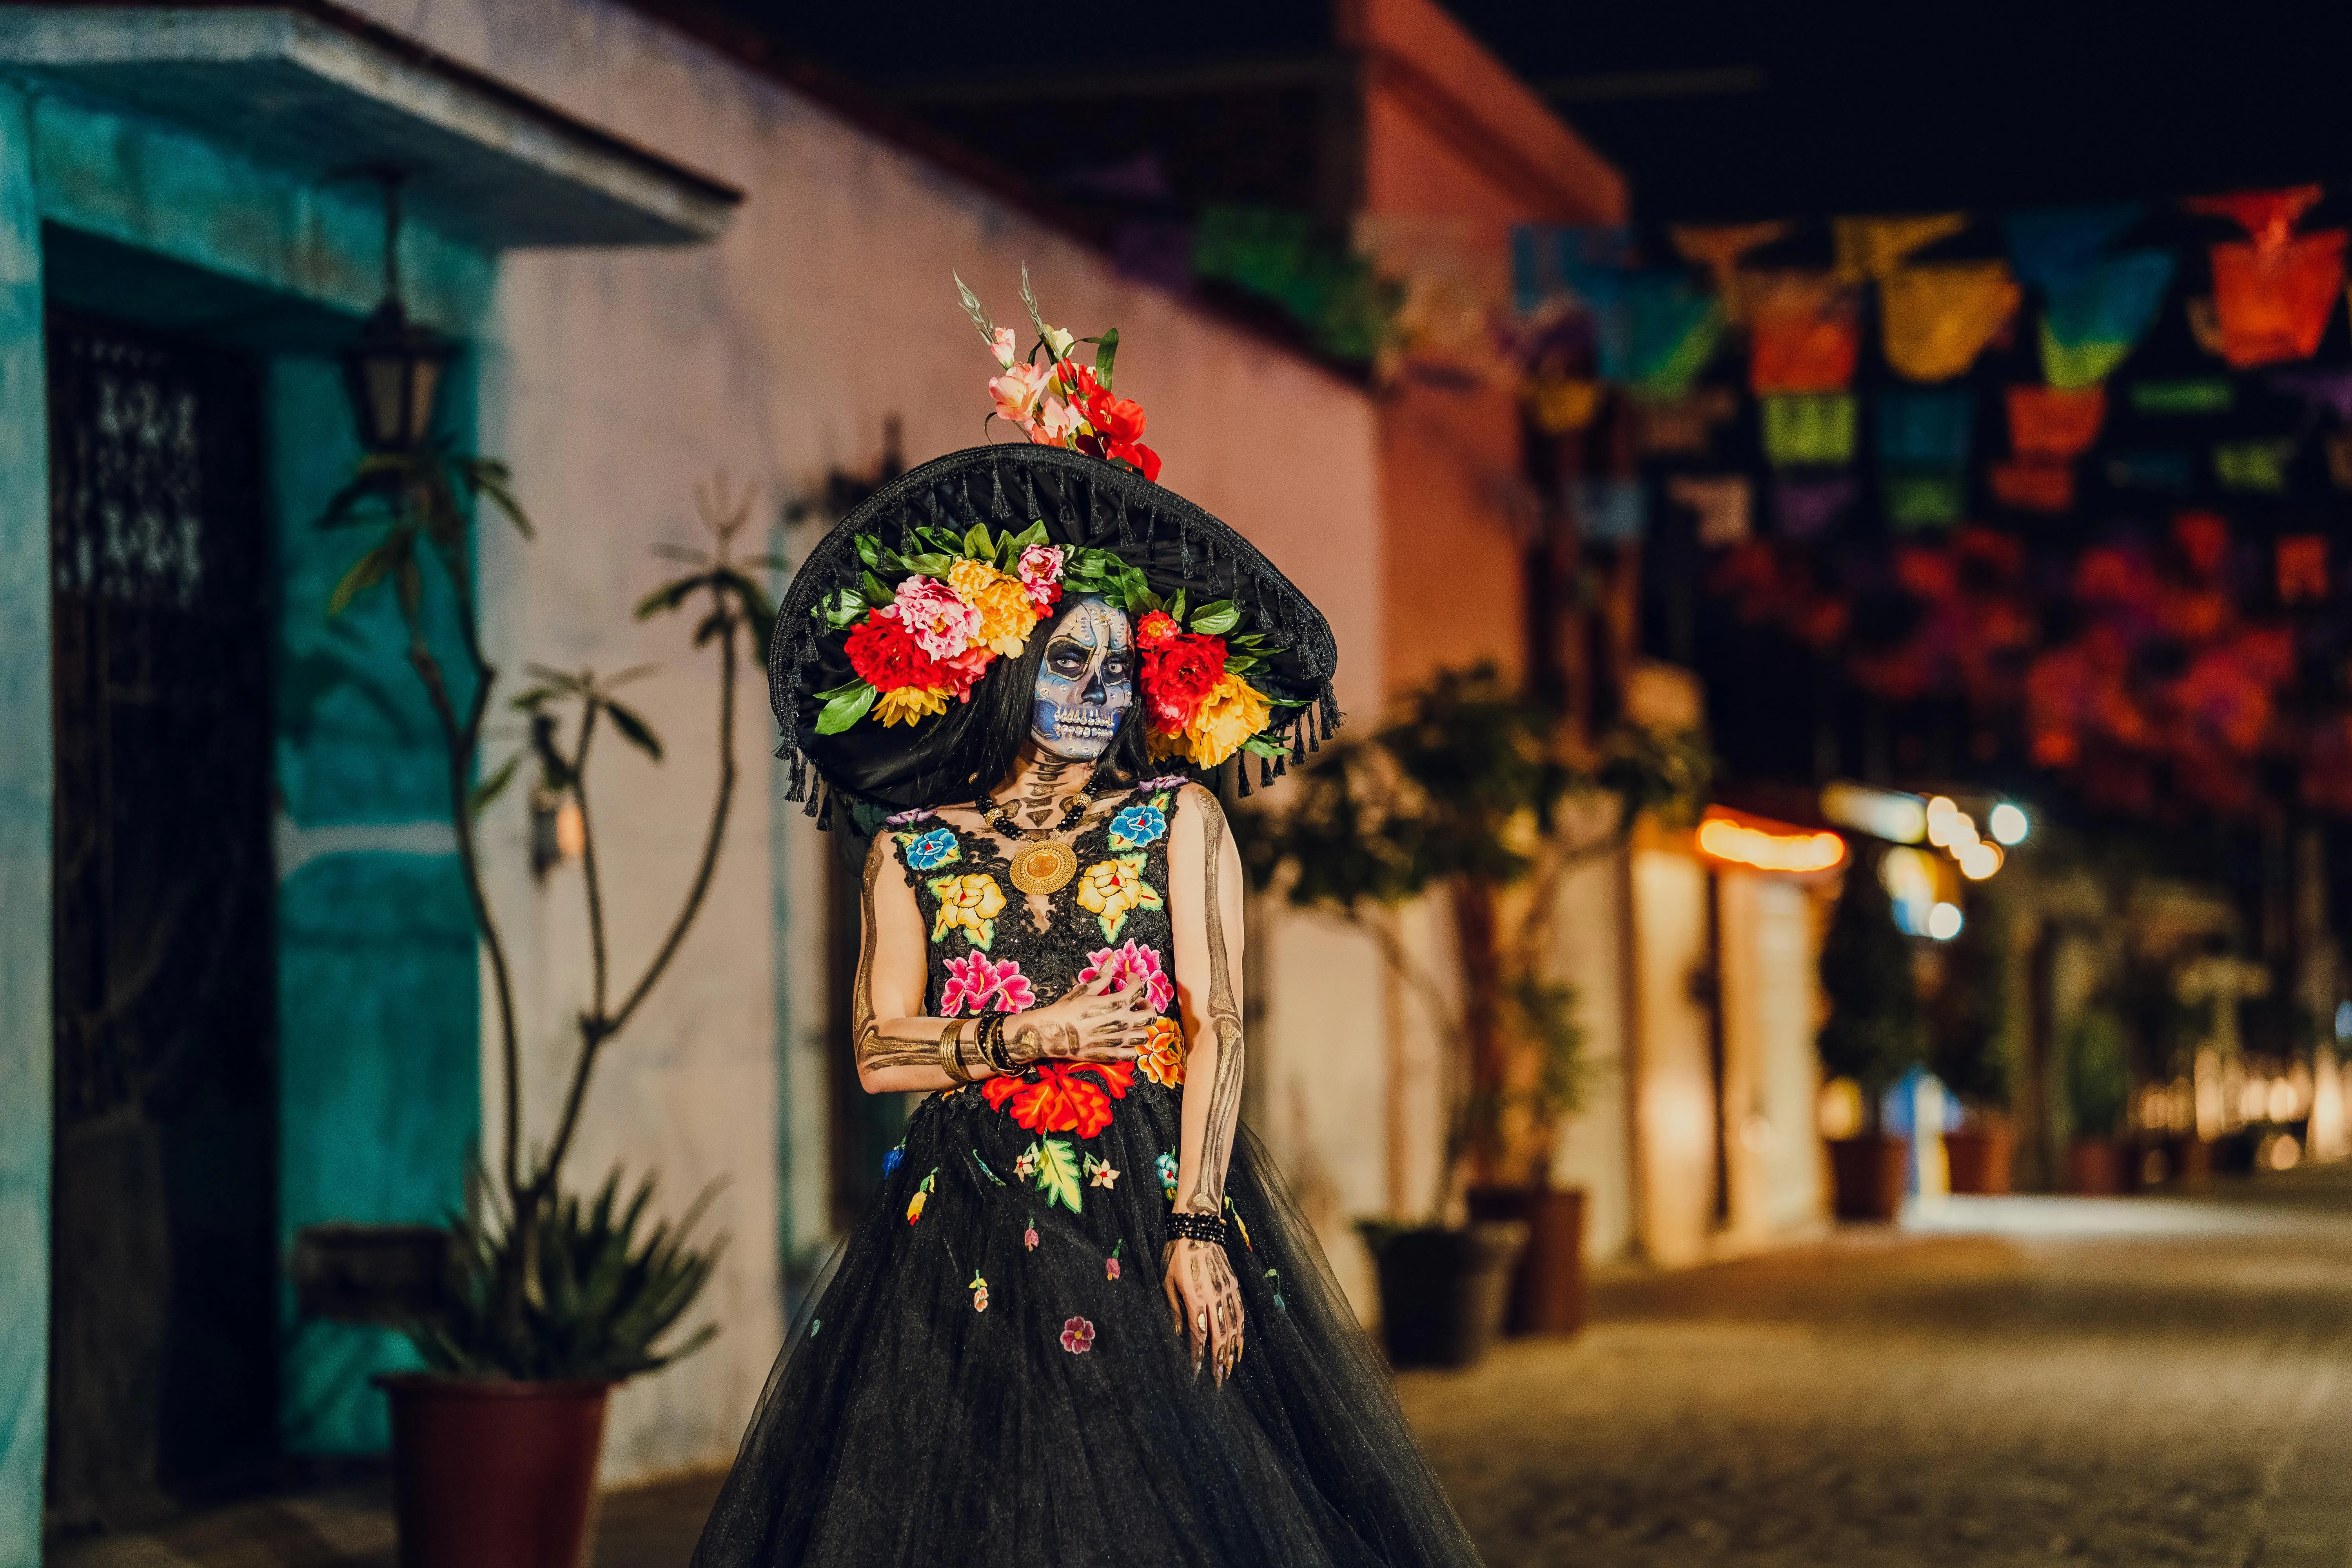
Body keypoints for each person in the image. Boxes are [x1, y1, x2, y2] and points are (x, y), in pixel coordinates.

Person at [691, 290, 1483, 1567]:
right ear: (1006, 668)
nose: (1097, 691)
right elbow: (880, 1051)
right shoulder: (916, 847)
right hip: (967, 1220)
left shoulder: (1176, 817)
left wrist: (1198, 1226)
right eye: (1067, 661)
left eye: (1114, 668)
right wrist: (1028, 1032)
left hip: (1147, 1198)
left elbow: (1219, 1021)